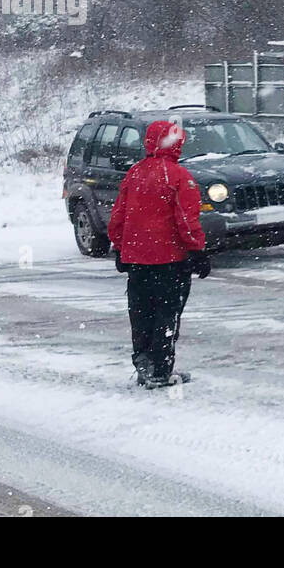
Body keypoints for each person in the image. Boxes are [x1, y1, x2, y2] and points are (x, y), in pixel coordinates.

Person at [107, 120, 210, 388]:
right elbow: (186, 221)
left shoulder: (134, 174)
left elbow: (117, 217)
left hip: (137, 262)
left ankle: (143, 362)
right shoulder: (179, 177)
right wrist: (197, 250)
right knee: (167, 314)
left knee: (141, 313)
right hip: (170, 261)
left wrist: (119, 247)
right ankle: (161, 370)